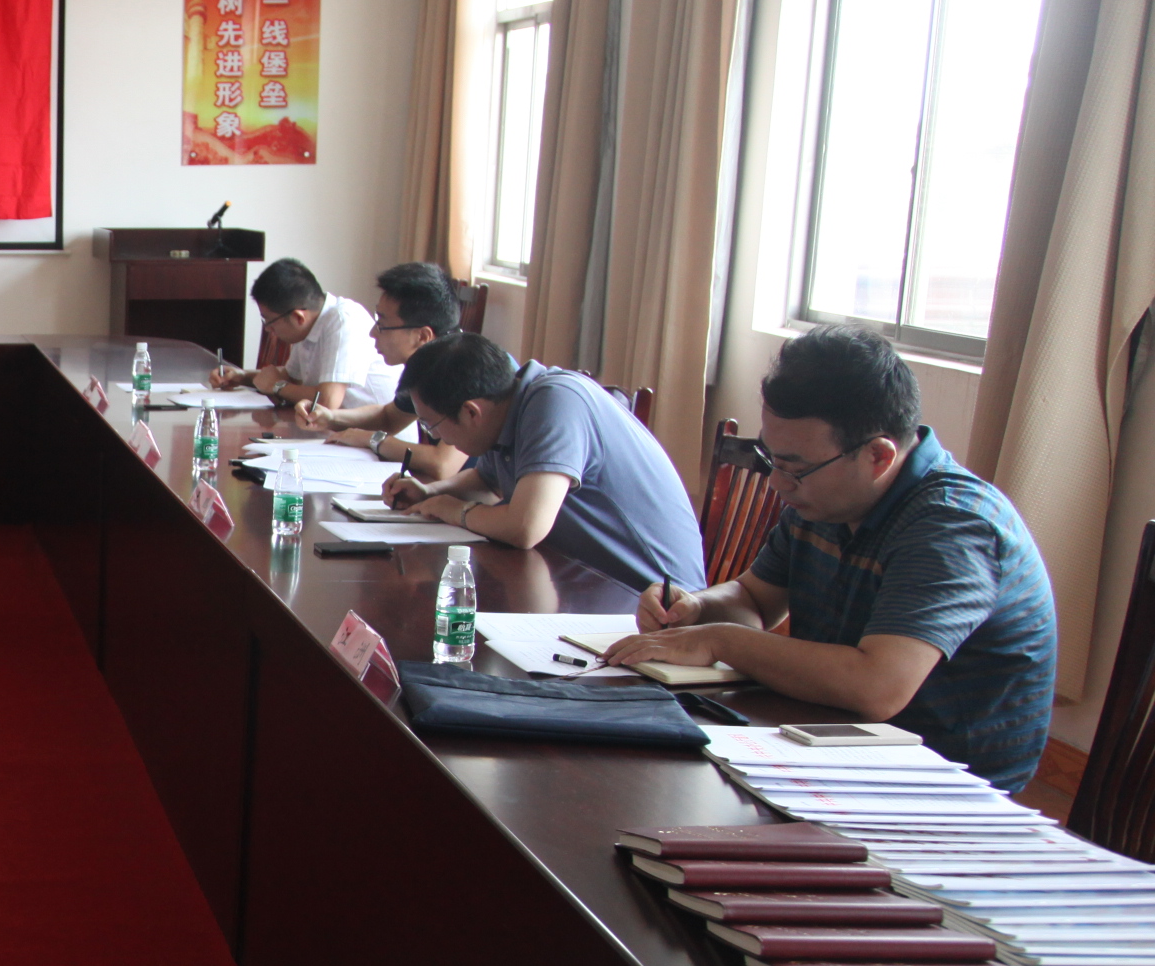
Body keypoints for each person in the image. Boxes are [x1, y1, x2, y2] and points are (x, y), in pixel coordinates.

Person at [604, 326, 1055, 790]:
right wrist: (696, 609)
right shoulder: (829, 498)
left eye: (795, 468)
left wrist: (721, 640)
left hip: (939, 785)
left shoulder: (951, 526)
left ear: (878, 456)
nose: (777, 483)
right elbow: (754, 600)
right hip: (827, 741)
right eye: (772, 460)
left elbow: (877, 687)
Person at [383, 331, 705, 593]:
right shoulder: (504, 407)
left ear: (470, 412)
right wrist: (430, 494)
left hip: (652, 600)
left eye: (431, 425)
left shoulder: (556, 402)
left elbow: (525, 527)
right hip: (585, 581)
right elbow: (487, 483)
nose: (435, 436)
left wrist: (452, 509)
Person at [294, 260, 466, 482]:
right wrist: (329, 417)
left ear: (422, 336)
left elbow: (442, 464)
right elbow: (389, 417)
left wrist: (371, 440)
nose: (372, 333)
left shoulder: (465, 368)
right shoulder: (425, 363)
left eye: (382, 325)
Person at [207, 258, 396, 411]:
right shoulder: (309, 325)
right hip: (339, 432)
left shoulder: (343, 320)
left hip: (377, 439)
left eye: (269, 321)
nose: (268, 329)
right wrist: (241, 377)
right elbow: (292, 378)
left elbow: (327, 402)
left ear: (298, 317)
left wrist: (277, 386)